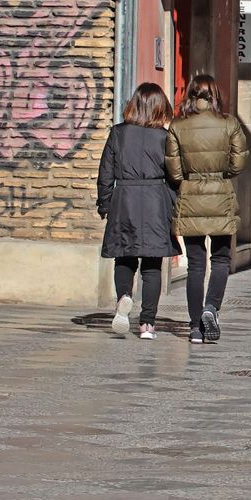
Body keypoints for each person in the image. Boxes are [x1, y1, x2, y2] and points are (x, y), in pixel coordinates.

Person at [167, 74, 249, 345]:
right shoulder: (229, 123)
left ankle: (194, 328)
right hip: (220, 195)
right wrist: (220, 175)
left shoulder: (178, 126)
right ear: (215, 94)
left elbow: (174, 171)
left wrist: (190, 180)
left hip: (190, 196)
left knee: (196, 264)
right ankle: (211, 308)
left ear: (190, 94)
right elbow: (239, 162)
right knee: (222, 259)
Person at [96, 83, 179, 340]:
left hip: (125, 198)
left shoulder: (118, 134)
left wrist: (105, 203)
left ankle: (124, 297)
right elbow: (175, 175)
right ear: (160, 108)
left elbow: (105, 173)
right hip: (156, 200)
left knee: (124, 256)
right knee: (152, 264)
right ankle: (147, 325)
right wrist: (174, 204)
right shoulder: (165, 138)